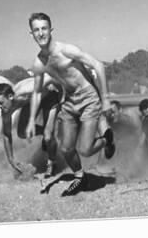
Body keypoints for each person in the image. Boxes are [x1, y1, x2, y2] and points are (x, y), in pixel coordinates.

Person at [26, 12, 115, 196]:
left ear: (51, 30)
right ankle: (80, 177)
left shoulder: (66, 50)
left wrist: (105, 99)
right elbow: (35, 92)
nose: (41, 33)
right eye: (36, 30)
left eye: (44, 28)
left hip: (89, 98)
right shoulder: (38, 63)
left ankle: (107, 139)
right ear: (31, 34)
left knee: (85, 149)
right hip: (69, 100)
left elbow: (98, 65)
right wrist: (30, 122)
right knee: (66, 148)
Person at [0, 80, 62, 177]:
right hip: (31, 101)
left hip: (49, 96)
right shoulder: (5, 111)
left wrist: (62, 97)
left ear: (10, 97)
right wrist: (11, 159)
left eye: (1, 103)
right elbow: (7, 135)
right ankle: (45, 134)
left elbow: (51, 77)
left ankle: (52, 163)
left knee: (48, 137)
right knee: (22, 133)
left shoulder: (25, 91)